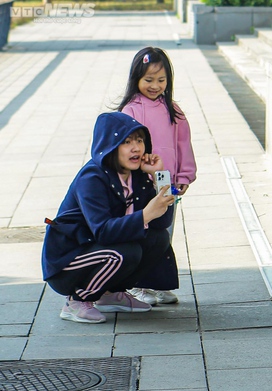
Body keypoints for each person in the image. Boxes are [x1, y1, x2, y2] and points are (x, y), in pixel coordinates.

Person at [42, 112, 177, 324]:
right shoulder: (92, 177)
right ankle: (76, 301)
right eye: (126, 142)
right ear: (109, 144)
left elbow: (161, 222)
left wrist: (159, 176)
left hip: (99, 249)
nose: (136, 148)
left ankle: (110, 294)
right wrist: (146, 213)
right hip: (69, 260)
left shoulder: (137, 174)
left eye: (140, 140)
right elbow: (103, 231)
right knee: (125, 252)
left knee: (157, 238)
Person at [117, 46, 197, 306]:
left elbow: (184, 144)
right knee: (144, 232)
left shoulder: (173, 110)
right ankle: (139, 284)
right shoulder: (131, 110)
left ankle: (159, 284)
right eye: (148, 80)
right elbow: (125, 150)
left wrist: (184, 175)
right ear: (136, 79)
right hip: (140, 185)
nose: (155, 85)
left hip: (167, 185)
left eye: (161, 80)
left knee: (164, 231)